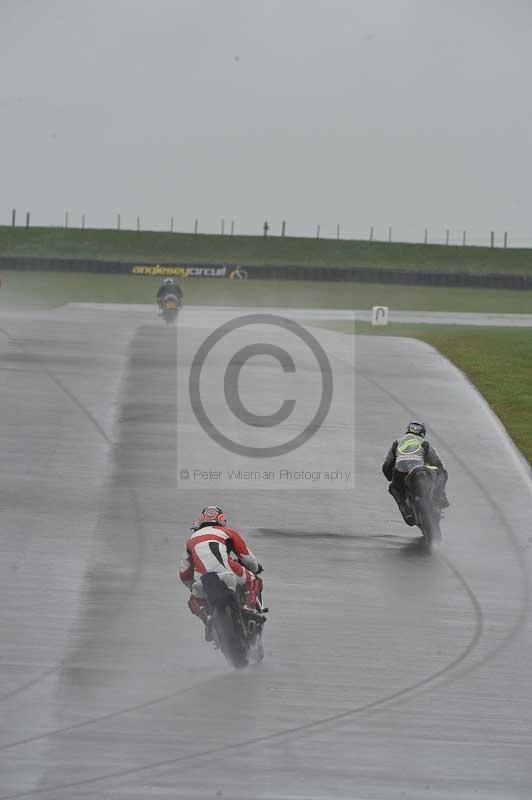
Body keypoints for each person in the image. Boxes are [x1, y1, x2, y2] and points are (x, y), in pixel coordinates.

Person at [179, 505, 263, 641]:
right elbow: (248, 559)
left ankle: (207, 620)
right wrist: (254, 568)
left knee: (193, 600)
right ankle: (248, 606)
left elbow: (184, 575)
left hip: (203, 579)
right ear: (222, 520)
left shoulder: (190, 541)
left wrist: (193, 586)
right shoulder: (227, 532)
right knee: (254, 580)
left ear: (200, 521)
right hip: (228, 571)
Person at [382, 422, 449, 525]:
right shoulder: (424, 443)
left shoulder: (397, 442)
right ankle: (439, 497)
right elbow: (437, 462)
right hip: (418, 470)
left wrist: (389, 476)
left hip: (400, 472)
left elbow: (388, 463)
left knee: (394, 488)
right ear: (422, 433)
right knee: (443, 472)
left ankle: (405, 509)